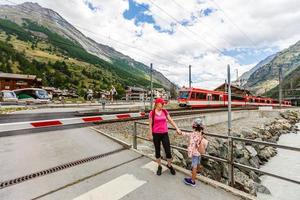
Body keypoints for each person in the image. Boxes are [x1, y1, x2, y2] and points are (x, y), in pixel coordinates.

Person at [148, 98, 181, 176]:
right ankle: (159, 166)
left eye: (163, 103)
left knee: (168, 151)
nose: (163, 105)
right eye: (161, 103)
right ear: (156, 104)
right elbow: (150, 125)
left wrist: (177, 128)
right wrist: (150, 134)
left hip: (164, 134)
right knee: (157, 151)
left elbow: (171, 120)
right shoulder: (151, 113)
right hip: (155, 134)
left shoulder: (165, 111)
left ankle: (169, 165)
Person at [177, 118, 208, 186]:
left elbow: (187, 134)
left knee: (194, 166)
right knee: (198, 163)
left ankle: (192, 181)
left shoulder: (193, 134)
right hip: (199, 152)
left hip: (195, 154)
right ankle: (199, 172)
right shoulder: (201, 134)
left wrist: (180, 133)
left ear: (193, 126)